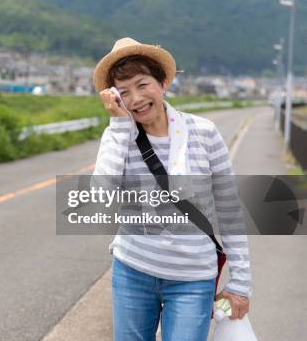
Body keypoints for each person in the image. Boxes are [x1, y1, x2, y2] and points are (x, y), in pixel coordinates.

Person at [92, 37, 251, 340]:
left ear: (163, 82)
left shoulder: (203, 133)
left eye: (142, 84)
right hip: (132, 272)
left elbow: (230, 208)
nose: (135, 99)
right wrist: (119, 127)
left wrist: (240, 284)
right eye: (123, 92)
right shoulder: (118, 137)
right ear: (114, 99)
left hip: (192, 279)